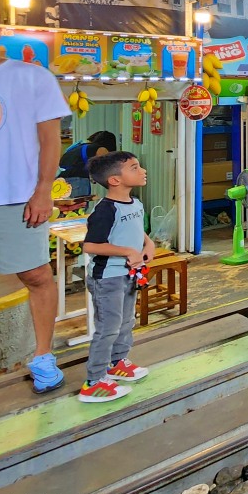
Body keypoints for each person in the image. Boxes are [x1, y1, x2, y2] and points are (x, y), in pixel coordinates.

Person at [0, 3, 69, 393]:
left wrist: (42, 191)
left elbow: (51, 140)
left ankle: (43, 355)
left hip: (15, 195)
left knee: (36, 274)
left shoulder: (31, 76)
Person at [78, 151, 152, 402]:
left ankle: (117, 363)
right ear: (114, 180)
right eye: (134, 167)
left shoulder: (135, 203)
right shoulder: (105, 210)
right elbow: (90, 246)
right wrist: (127, 252)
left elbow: (137, 230)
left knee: (125, 322)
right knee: (108, 328)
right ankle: (94, 382)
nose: (142, 171)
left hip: (129, 274)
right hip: (107, 278)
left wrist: (147, 244)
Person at [57, 131, 118, 198]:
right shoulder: (101, 149)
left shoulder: (76, 147)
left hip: (59, 182)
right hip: (77, 182)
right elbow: (103, 170)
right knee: (80, 207)